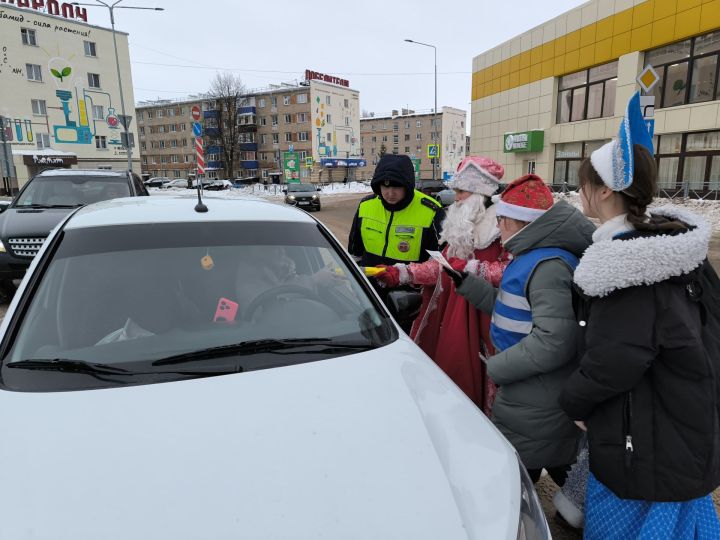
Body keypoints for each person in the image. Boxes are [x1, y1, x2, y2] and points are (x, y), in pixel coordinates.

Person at [559, 92, 720, 538]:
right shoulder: (672, 249)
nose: (580, 194)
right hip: (680, 426)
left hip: (647, 443)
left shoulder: (627, 267)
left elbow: (616, 359)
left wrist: (573, 399)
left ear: (605, 190)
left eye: (584, 185)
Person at [443, 174, 595, 485]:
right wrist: (471, 287)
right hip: (530, 386)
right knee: (535, 465)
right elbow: (517, 310)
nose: (498, 226)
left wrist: (498, 367)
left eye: (502, 219)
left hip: (536, 392)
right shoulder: (533, 256)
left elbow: (554, 340)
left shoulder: (548, 266)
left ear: (522, 222)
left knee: (518, 476)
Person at [372, 156, 508, 413]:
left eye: (461, 191)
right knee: (449, 374)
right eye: (455, 191)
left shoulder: (501, 227)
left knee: (477, 380)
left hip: (482, 316)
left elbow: (513, 272)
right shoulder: (463, 225)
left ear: (481, 193)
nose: (455, 198)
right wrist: (402, 273)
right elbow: (440, 267)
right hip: (450, 313)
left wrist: (471, 269)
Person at [348, 154, 444, 267]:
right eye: (385, 187)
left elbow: (440, 263)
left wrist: (406, 275)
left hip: (410, 283)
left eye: (397, 187)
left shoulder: (431, 211)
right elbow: (355, 254)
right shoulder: (366, 205)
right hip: (367, 283)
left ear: (407, 185)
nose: (390, 193)